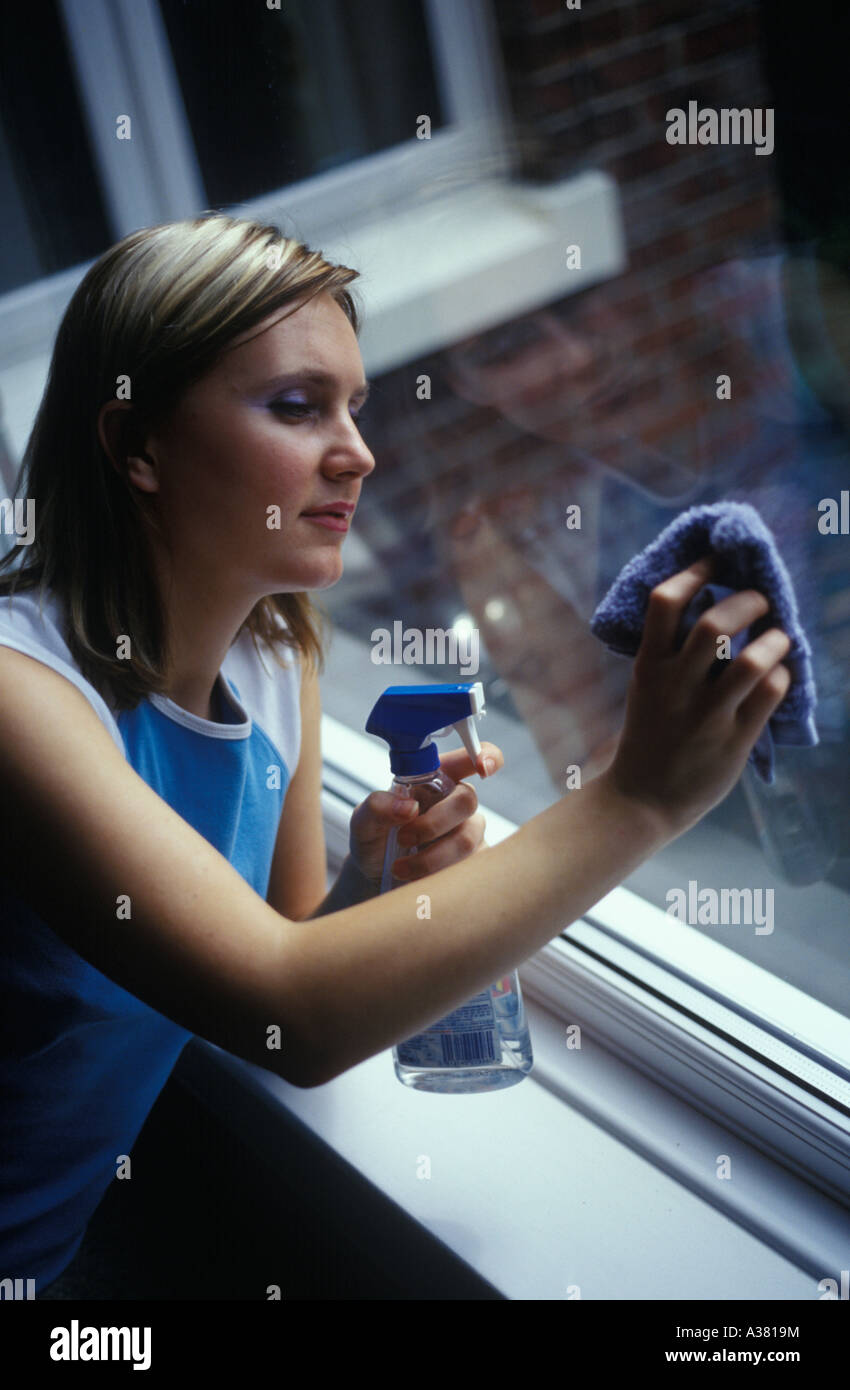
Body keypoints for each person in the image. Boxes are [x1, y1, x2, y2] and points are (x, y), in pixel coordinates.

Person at [0, 212, 791, 1297]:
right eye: (296, 406)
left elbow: (283, 946)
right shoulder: (19, 699)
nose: (358, 453)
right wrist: (638, 802)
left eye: (356, 408)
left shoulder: (279, 652)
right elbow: (291, 1014)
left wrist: (372, 880)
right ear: (137, 445)